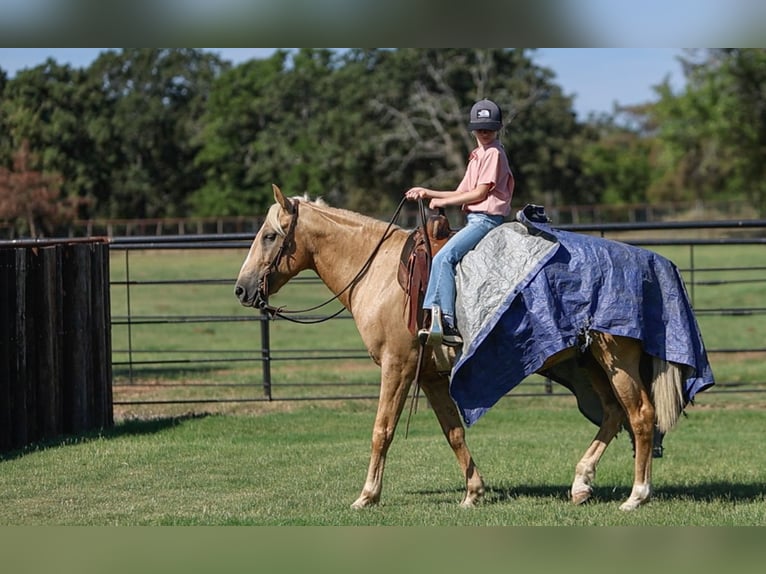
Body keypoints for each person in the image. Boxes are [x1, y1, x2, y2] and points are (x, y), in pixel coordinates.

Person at [405, 98, 515, 347]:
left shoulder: (494, 153)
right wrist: (428, 193)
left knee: (445, 257)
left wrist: (434, 195)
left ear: (496, 128)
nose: (485, 132)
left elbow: (478, 194)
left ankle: (445, 320)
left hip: (486, 220)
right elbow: (461, 191)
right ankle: (433, 316)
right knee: (441, 256)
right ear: (473, 129)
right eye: (481, 128)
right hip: (475, 218)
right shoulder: (478, 155)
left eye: (489, 128)